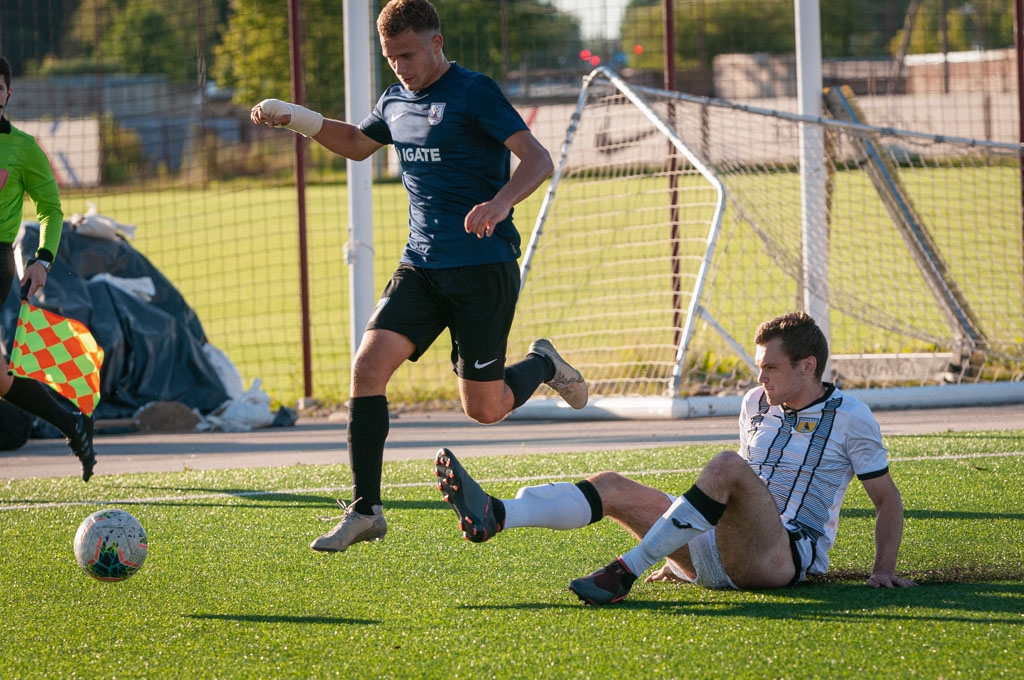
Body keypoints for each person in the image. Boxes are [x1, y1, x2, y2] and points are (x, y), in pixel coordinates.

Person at [251, 0, 585, 552]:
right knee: (367, 366)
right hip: (422, 266)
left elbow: (538, 159)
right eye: (390, 58)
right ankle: (365, 509)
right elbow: (359, 146)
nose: (400, 67)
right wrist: (299, 118)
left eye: (408, 54)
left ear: (436, 41)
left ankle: (544, 363)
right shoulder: (395, 99)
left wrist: (500, 203)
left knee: (485, 409)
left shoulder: (475, 91)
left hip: (482, 269)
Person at [435, 311, 917, 604]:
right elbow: (730, 502)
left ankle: (627, 568)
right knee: (612, 485)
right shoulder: (754, 403)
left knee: (728, 466)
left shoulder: (850, 415)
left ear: (807, 366)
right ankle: (497, 514)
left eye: (771, 367)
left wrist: (882, 569)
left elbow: (886, 500)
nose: (761, 377)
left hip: (779, 560)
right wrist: (678, 544)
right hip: (719, 553)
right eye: (759, 367)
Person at [0, 56, 96, 481]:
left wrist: (42, 260)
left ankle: (73, 423)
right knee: (1, 380)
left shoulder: (22, 148)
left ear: (8, 93)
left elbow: (51, 211)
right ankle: (72, 424)